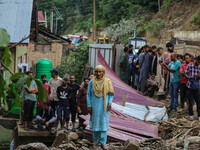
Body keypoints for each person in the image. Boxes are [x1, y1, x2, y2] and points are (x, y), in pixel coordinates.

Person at [87, 65, 114, 150]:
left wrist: (109, 103)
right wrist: (89, 105)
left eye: (100, 71)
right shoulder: (92, 82)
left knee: (103, 123)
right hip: (94, 106)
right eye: (97, 72)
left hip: (104, 106)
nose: (98, 74)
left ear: (103, 72)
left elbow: (111, 94)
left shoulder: (107, 81)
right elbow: (88, 94)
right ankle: (95, 141)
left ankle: (103, 142)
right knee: (95, 123)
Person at [185, 55, 200, 121]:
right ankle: (191, 115)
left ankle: (199, 115)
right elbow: (186, 74)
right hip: (190, 85)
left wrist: (198, 76)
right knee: (190, 101)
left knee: (198, 101)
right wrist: (192, 76)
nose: (199, 63)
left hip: (197, 85)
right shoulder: (189, 66)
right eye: (198, 62)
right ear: (196, 60)